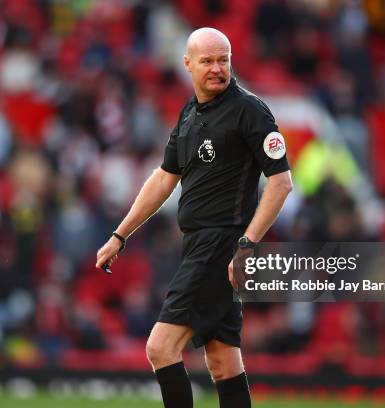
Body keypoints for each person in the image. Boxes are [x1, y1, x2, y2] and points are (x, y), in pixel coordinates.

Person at [96, 27, 293, 408]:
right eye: (208, 61)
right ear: (187, 64)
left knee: (160, 347)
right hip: (198, 245)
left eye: (224, 60)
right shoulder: (190, 113)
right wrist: (119, 235)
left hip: (221, 246)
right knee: (222, 362)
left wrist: (246, 244)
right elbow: (164, 177)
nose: (218, 69)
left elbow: (281, 183)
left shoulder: (249, 110)